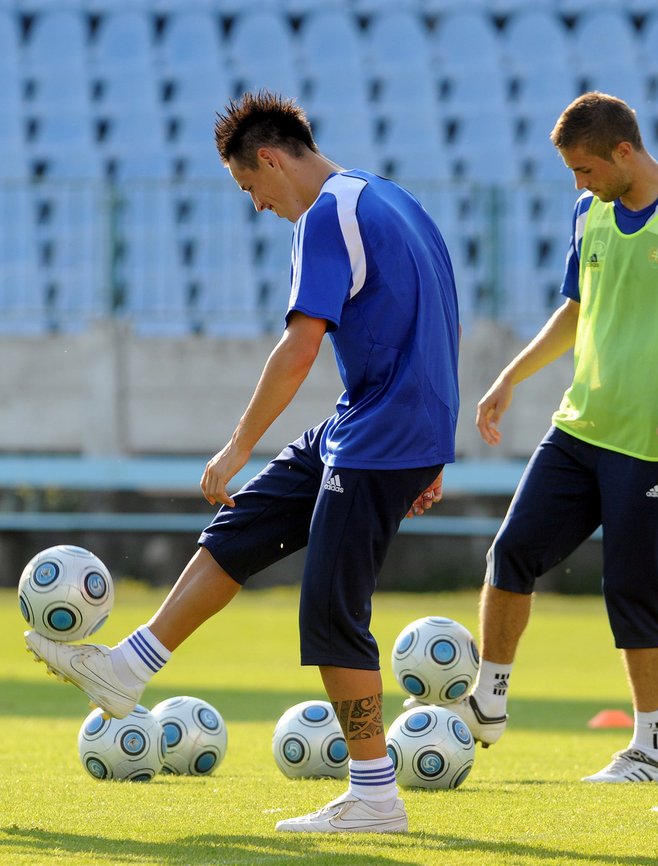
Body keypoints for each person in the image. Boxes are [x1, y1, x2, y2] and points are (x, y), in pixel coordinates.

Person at [25, 91, 460, 835]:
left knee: (330, 610)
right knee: (244, 523)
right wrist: (436, 446)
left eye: (248, 189)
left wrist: (236, 444)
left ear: (267, 159)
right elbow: (442, 317)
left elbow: (299, 346)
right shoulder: (391, 198)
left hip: (384, 434)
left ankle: (375, 797)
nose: (257, 205)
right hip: (375, 424)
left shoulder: (327, 214)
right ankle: (126, 669)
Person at [450, 91, 658, 783]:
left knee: (633, 590)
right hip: (580, 426)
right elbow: (575, 308)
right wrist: (511, 374)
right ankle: (489, 702)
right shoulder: (587, 211)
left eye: (587, 169)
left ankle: (649, 749)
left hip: (655, 438)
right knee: (511, 553)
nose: (579, 184)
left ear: (625, 152)